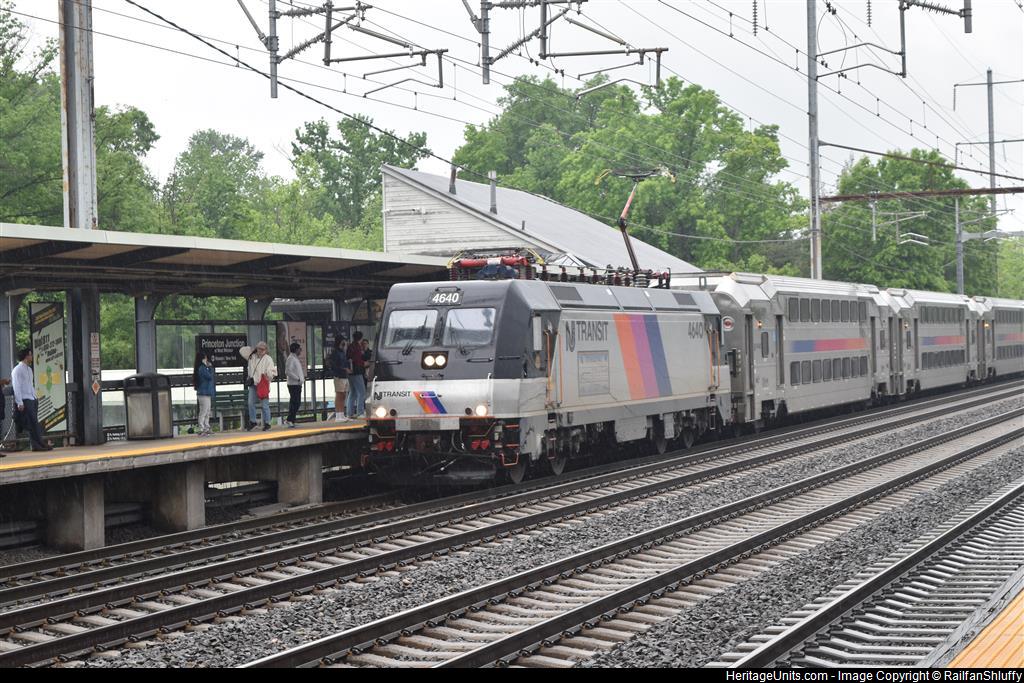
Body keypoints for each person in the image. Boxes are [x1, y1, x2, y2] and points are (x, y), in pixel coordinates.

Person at [11, 348, 52, 451]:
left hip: (32, 398)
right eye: (30, 355)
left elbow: (30, 384)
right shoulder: (17, 370)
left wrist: (35, 397)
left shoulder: (29, 369)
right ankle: (38, 444)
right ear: (26, 356)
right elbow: (16, 386)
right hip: (25, 399)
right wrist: (19, 402)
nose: (32, 357)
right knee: (32, 423)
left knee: (33, 422)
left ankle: (37, 444)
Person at [245, 341, 277, 431]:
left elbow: (272, 371)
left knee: (264, 405)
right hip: (253, 383)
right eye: (259, 349)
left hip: (262, 384)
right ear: (257, 348)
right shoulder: (252, 357)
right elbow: (250, 368)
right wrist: (249, 376)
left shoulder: (268, 359)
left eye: (263, 349)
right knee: (250, 403)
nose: (261, 351)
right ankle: (253, 421)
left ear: (266, 350)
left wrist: (269, 376)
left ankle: (267, 423)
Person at [193, 351, 216, 437]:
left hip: (206, 393)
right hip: (203, 393)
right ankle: (201, 429)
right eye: (205, 358)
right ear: (202, 359)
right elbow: (209, 377)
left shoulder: (201, 367)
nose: (206, 359)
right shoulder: (202, 368)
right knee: (204, 411)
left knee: (207, 411)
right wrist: (210, 367)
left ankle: (206, 427)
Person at [328, 336, 350, 422]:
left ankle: (342, 414)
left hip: (344, 376)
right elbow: (334, 365)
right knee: (339, 394)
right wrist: (343, 369)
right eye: (343, 341)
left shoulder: (342, 352)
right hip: (339, 376)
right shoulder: (335, 352)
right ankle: (338, 415)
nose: (345, 343)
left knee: (343, 395)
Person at [346, 331, 367, 418]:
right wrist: (364, 363)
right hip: (357, 372)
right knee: (362, 392)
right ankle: (360, 412)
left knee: (353, 392)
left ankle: (349, 413)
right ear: (360, 338)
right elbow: (358, 360)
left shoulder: (350, 346)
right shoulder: (357, 347)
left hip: (350, 372)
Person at [285, 342, 304, 428]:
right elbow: (288, 371)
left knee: (296, 402)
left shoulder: (295, 358)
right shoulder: (291, 359)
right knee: (295, 402)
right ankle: (289, 420)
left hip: (297, 384)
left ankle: (292, 420)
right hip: (293, 384)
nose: (300, 350)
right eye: (299, 349)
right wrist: (297, 378)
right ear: (296, 349)